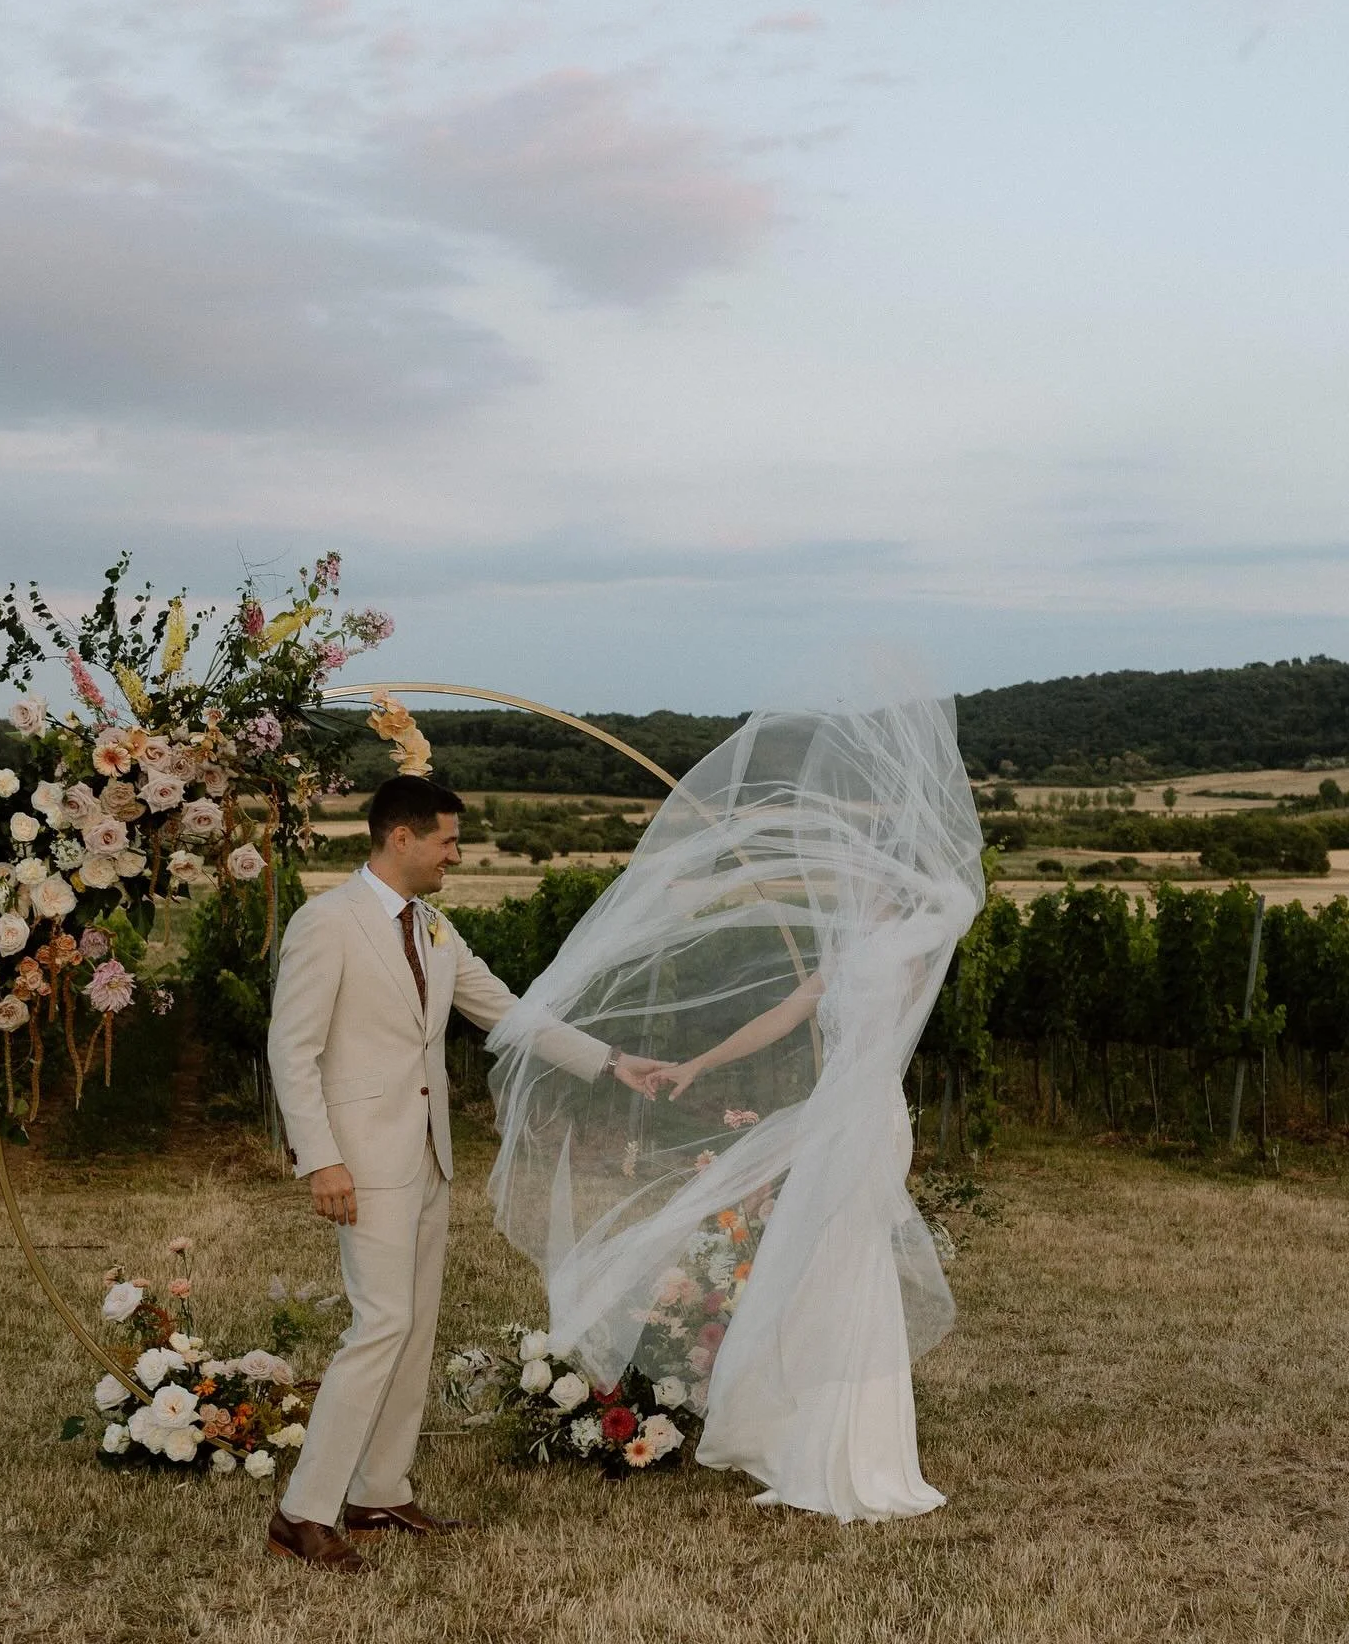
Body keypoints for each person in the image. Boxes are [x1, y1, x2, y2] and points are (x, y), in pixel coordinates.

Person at [484, 672, 984, 1522]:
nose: (843, 882)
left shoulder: (914, 938)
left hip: (862, 1117)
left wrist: (907, 863)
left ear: (888, 878)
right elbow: (784, 1016)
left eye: (861, 870)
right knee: (808, 1267)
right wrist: (699, 1065)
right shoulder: (855, 944)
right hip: (832, 1109)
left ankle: (855, 1453)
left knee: (846, 1265)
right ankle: (797, 1436)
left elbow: (954, 903)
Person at [265, 774, 660, 1571]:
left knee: (411, 1327)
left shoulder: (436, 927)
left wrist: (613, 1061)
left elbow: (507, 1012)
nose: (457, 853)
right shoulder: (327, 923)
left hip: (428, 1157)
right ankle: (302, 1513)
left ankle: (380, 1487)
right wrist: (322, 1158)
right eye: (447, 839)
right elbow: (291, 1048)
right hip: (362, 1160)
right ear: (400, 838)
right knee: (379, 1323)